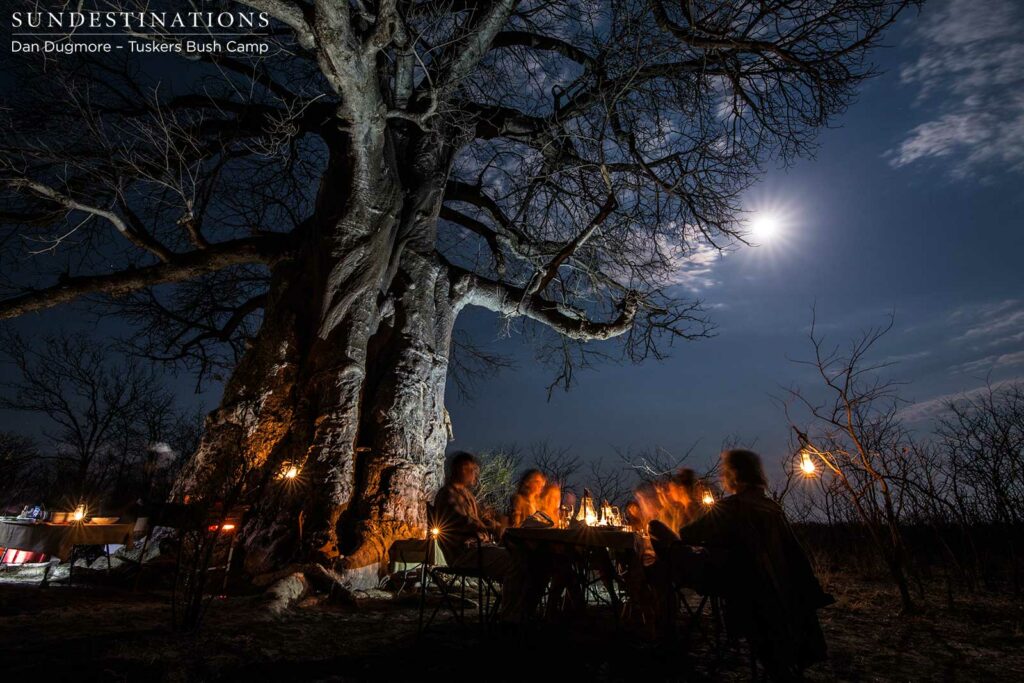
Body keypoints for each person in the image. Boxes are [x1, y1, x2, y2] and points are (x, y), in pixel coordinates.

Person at [653, 450, 833, 680]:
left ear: (734, 475)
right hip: (771, 590)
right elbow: (793, 553)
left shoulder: (733, 506)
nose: (721, 477)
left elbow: (689, 533)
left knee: (656, 528)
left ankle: (663, 630)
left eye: (724, 472)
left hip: (738, 586)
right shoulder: (772, 507)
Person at [432, 451, 510, 576]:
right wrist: (492, 527)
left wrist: (497, 522)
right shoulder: (448, 494)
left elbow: (481, 516)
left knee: (519, 558)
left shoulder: (466, 494)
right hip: (464, 553)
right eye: (472, 470)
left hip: (477, 548)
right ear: (462, 469)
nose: (475, 474)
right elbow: (465, 522)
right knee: (513, 560)